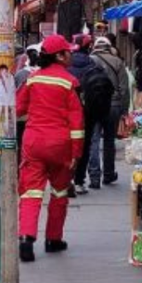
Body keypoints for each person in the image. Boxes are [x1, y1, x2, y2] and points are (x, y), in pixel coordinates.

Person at [15, 35, 84, 263]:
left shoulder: (32, 79)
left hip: (34, 142)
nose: (71, 54)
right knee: (59, 192)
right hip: (60, 145)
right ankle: (53, 239)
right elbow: (76, 123)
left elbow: (18, 108)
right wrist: (76, 153)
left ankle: (26, 239)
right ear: (59, 56)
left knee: (31, 193)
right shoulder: (69, 82)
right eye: (68, 51)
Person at [67, 34, 114, 195]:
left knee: (66, 146)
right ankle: (79, 181)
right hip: (88, 111)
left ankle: (65, 179)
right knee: (85, 146)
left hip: (68, 112)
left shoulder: (66, 65)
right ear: (89, 47)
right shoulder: (93, 64)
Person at [89, 36, 129, 186]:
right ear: (109, 47)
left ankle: (94, 176)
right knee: (109, 140)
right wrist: (124, 110)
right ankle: (108, 174)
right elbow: (124, 89)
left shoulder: (89, 61)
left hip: (94, 105)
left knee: (93, 139)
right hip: (113, 105)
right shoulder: (118, 62)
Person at [0, 64, 17, 140]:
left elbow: (12, 92)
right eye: (1, 71)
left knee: (12, 110)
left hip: (10, 103)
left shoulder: (11, 80)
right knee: (1, 110)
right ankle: (1, 134)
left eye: (5, 71)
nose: (3, 73)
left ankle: (12, 134)